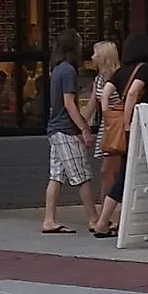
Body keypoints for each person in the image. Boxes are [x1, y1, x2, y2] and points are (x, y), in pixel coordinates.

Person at [95, 33, 148, 238]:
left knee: (127, 173)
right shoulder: (144, 69)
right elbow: (133, 93)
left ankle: (120, 221)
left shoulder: (120, 72)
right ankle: (103, 222)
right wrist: (128, 122)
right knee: (127, 175)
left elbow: (105, 93)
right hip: (139, 128)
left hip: (126, 130)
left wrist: (107, 113)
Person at [40, 31, 97, 233]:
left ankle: (49, 220)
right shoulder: (69, 71)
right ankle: (94, 220)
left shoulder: (56, 70)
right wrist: (84, 128)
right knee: (83, 176)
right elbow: (70, 104)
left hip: (54, 129)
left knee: (56, 176)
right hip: (66, 130)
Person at [84, 40, 120, 231]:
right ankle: (105, 217)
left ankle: (104, 217)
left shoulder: (117, 77)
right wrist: (82, 124)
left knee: (108, 172)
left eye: (95, 54)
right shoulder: (99, 79)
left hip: (115, 129)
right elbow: (92, 103)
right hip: (106, 130)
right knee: (108, 173)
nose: (92, 57)